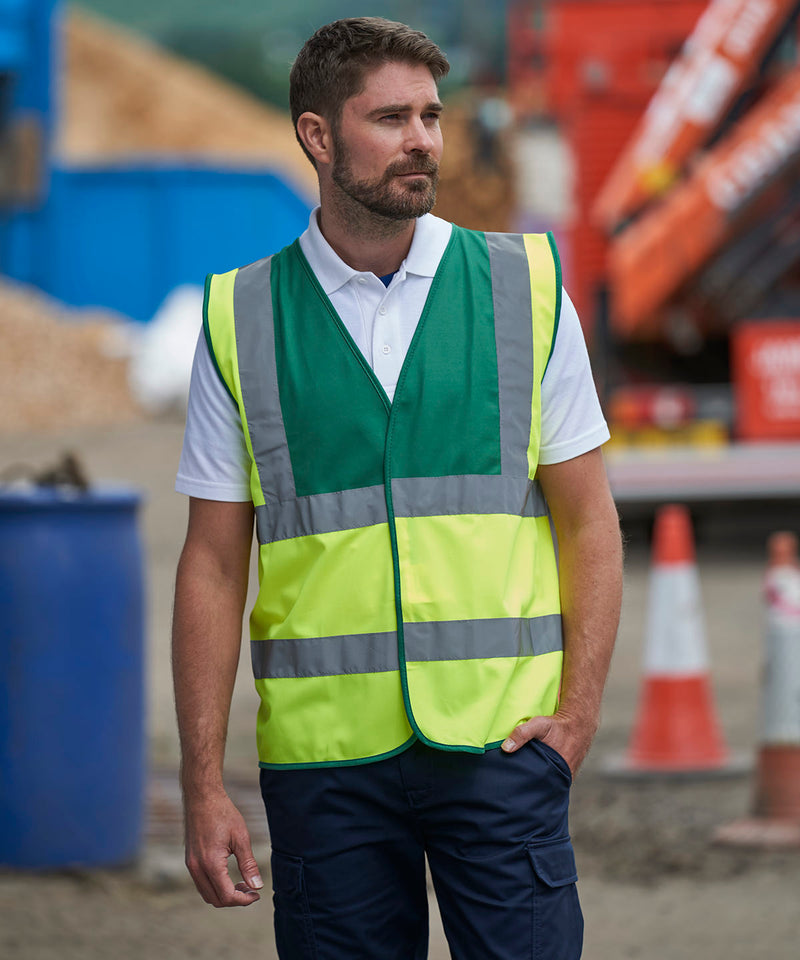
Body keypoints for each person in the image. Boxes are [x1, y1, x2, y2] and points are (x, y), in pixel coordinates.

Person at [173, 16, 622, 960]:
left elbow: (589, 523)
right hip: (324, 771)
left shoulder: (526, 287)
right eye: (390, 118)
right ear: (318, 137)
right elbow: (213, 564)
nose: (423, 139)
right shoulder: (239, 319)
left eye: (432, 114)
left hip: (503, 752)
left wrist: (575, 720)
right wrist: (203, 782)